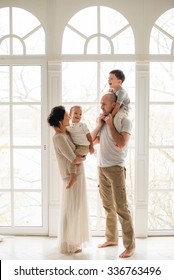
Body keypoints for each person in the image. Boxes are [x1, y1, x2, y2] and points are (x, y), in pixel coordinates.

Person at [91, 93, 135, 258]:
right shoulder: (103, 121)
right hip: (101, 168)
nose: (101, 106)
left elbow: (122, 143)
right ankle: (111, 239)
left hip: (116, 169)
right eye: (100, 103)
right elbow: (92, 142)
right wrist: (99, 124)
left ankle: (130, 246)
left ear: (114, 104)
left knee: (122, 208)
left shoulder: (125, 122)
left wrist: (109, 124)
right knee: (108, 206)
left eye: (104, 103)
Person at [47, 106, 90, 254]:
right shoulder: (59, 137)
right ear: (60, 120)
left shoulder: (66, 133)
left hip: (77, 174)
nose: (69, 117)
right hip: (71, 177)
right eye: (66, 115)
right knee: (71, 210)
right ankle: (68, 244)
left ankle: (73, 242)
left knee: (75, 209)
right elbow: (73, 158)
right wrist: (83, 157)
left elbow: (81, 143)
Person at [66, 105, 94, 188]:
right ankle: (81, 160)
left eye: (80, 114)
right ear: (70, 114)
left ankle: (73, 177)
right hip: (76, 146)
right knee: (73, 159)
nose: (78, 116)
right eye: (76, 113)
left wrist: (91, 147)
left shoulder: (82, 125)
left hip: (83, 146)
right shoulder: (69, 127)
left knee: (72, 159)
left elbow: (89, 136)